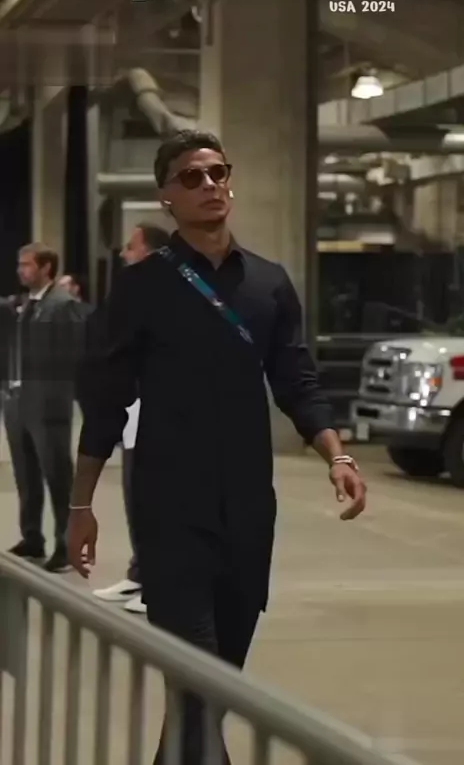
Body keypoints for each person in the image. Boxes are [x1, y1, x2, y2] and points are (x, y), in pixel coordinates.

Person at [67, 130, 366, 765]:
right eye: (192, 177)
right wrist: (80, 505)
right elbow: (106, 402)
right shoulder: (142, 286)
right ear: (166, 197)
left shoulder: (269, 283)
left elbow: (297, 380)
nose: (209, 185)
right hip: (170, 511)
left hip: (249, 512)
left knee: (211, 693)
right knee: (199, 688)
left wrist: (336, 456)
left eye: (218, 172)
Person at [92, 223, 170, 613]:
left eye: (130, 247)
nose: (123, 254)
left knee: (160, 504)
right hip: (133, 409)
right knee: (135, 497)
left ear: (150, 253)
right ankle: (140, 573)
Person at [6, 243, 86, 572]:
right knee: (26, 477)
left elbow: (74, 356)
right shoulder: (27, 303)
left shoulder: (62, 304)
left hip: (48, 405)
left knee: (58, 478)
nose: (20, 270)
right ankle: (32, 537)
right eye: (19, 264)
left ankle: (67, 547)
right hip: (19, 404)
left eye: (27, 265)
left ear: (45, 268)